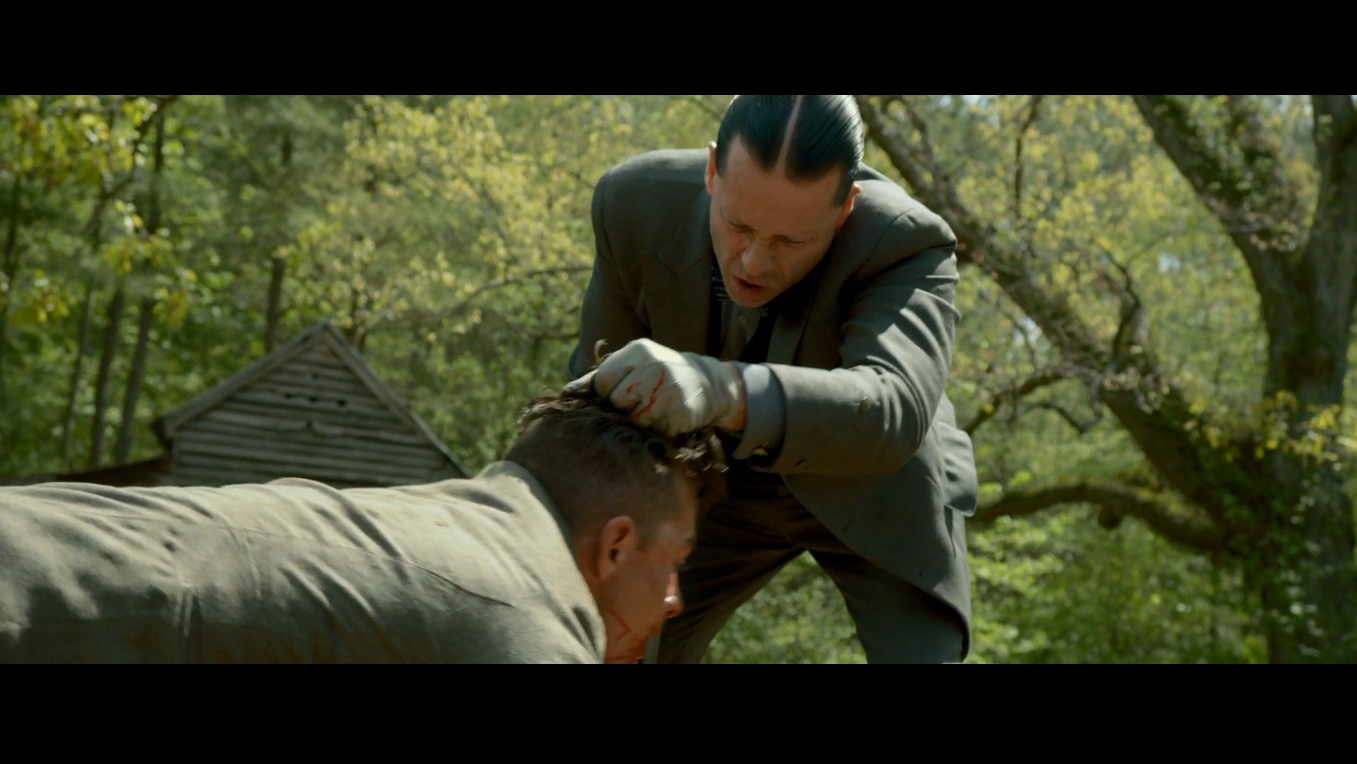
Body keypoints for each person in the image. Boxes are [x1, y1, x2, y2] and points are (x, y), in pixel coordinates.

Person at [568, 95, 978, 663]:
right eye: (738, 225)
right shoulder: (633, 203)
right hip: (705, 482)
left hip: (875, 493)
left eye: (791, 241)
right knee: (605, 641)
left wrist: (722, 389)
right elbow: (597, 400)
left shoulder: (906, 241)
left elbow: (892, 408)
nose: (754, 262)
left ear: (846, 207)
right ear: (712, 170)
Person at [0, 386, 726, 664]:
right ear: (617, 544)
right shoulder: (527, 617)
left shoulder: (465, 525)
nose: (675, 601)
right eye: (674, 562)